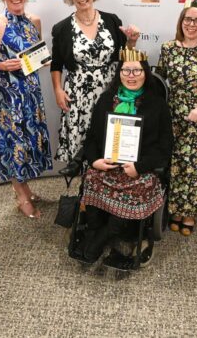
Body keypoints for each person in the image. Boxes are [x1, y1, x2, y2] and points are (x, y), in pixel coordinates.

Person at [70, 47, 173, 270]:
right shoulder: (107, 99)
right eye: (126, 70)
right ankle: (95, 230)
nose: (131, 76)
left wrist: (139, 166)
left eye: (137, 71)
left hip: (138, 169)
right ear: (119, 73)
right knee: (92, 177)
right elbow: (92, 138)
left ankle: (102, 237)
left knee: (137, 186)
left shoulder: (157, 105)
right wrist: (95, 160)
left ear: (145, 73)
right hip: (106, 164)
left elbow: (164, 147)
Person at [0, 0, 52, 218]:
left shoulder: (35, 21)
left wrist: (43, 60)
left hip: (32, 94)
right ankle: (21, 195)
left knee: (30, 142)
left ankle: (24, 187)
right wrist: (2, 65)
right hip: (10, 96)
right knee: (15, 145)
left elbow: (36, 54)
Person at [51, 0, 140, 167]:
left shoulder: (112, 21)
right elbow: (56, 64)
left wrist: (131, 42)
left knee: (109, 138)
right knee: (81, 142)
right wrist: (58, 90)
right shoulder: (62, 28)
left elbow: (123, 55)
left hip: (109, 90)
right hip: (77, 93)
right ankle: (85, 187)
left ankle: (105, 189)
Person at [155, 0, 197, 236]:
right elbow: (159, 82)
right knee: (177, 165)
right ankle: (175, 209)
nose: (192, 24)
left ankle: (190, 214)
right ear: (181, 22)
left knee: (196, 167)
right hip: (173, 117)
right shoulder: (168, 48)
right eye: (188, 19)